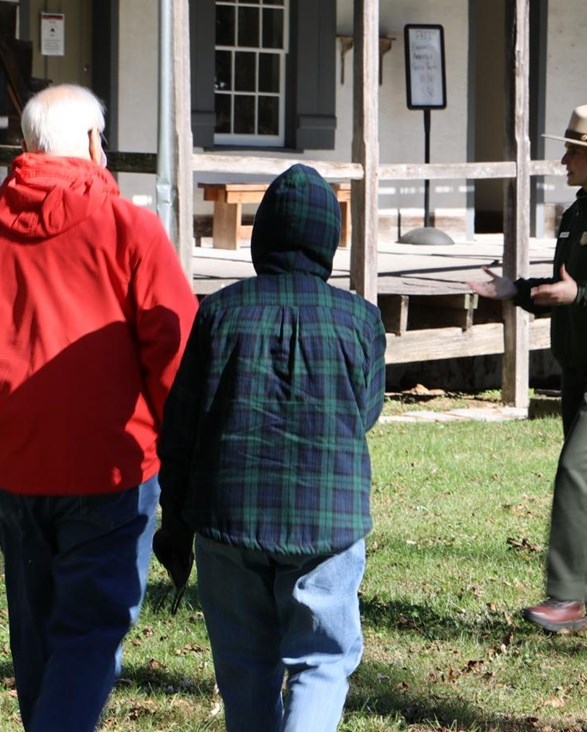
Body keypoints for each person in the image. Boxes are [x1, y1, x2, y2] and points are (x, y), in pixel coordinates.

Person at [0, 84, 198, 731]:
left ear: (28, 147)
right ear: (95, 144)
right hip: (110, 467)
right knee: (92, 630)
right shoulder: (130, 229)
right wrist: (166, 443)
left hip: (15, 461)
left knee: (40, 628)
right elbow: (175, 353)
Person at [157, 163, 386, 732]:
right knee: (322, 661)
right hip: (326, 520)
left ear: (263, 235)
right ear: (327, 239)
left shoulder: (219, 312)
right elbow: (367, 412)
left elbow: (180, 429)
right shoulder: (361, 320)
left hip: (226, 515)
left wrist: (175, 523)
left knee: (244, 666)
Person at [469, 102, 587, 634]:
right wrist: (516, 290)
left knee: (578, 471)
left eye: (574, 150)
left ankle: (568, 597)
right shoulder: (578, 212)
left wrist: (580, 293)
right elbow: (564, 291)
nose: (564, 159)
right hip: (580, 360)